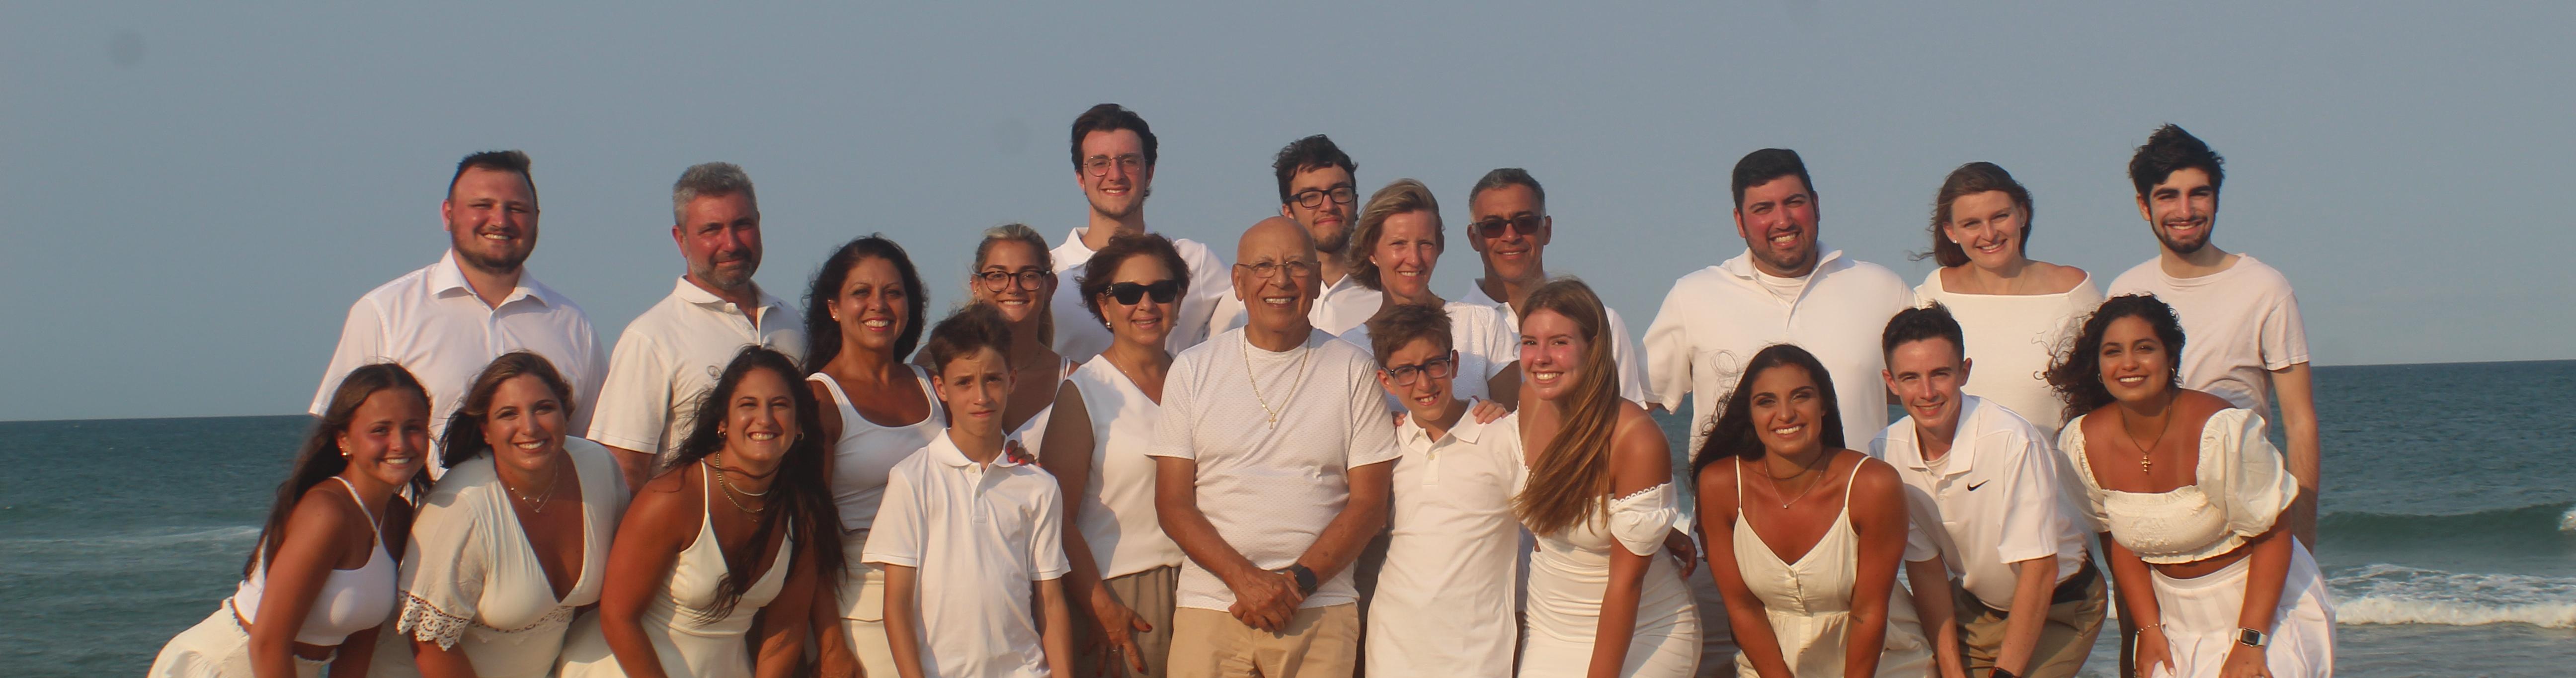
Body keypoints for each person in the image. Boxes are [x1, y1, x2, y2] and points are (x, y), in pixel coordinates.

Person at [1147, 217, 1398, 678]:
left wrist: (1296, 586)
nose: (1280, 280)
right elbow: (1173, 503)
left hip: (1320, 609)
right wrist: (1244, 581)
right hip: (1213, 608)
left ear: (1319, 281)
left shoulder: (1353, 370)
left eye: (1296, 266)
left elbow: (1369, 505)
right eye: (1263, 266)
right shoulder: (1192, 369)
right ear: (1238, 283)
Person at [2046, 295, 2334, 678]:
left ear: (2171, 358)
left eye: (2144, 348)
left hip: (2266, 610)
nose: (2128, 364)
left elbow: (2274, 536)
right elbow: (2120, 543)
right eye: (2113, 352)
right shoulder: (2081, 443)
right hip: (2172, 621)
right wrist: (2148, 631)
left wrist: (2250, 643)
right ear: (2099, 366)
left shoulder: (2221, 430)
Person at [557, 347, 841, 678]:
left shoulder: (802, 513)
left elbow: (787, 627)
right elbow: (618, 619)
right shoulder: (674, 498)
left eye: (780, 405)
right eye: (748, 405)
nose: (765, 419)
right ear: (723, 422)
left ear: (799, 424)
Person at [313, 151, 606, 470]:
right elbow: (336, 441)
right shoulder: (384, 313)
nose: (501, 220)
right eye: (483, 206)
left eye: (516, 209)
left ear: (536, 218)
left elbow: (591, 445)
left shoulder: (572, 323)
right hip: (419, 517)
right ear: (448, 214)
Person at [2104, 124, 2322, 550]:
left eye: (2198, 194)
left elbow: (2301, 423)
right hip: (2153, 518)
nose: (2185, 210)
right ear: (2144, 206)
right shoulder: (2124, 292)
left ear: (2216, 198)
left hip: (2244, 517)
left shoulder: (2265, 288)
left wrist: (2302, 544)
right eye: (2168, 196)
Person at [154, 363, 433, 678]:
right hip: (229, 667)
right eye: (380, 430)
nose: (400, 444)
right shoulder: (328, 513)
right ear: (344, 441)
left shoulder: (397, 516)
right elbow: (268, 643)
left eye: (413, 428)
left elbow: (359, 639)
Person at [1872, 306, 2103, 678]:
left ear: (1964, 372)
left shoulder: (2013, 441)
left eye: (1940, 374)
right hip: (1977, 608)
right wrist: (1950, 670)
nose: (1927, 392)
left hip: (2062, 603)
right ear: (1891, 382)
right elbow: (1927, 571)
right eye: (1911, 378)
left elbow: (2039, 571)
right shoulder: (1886, 451)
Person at [376, 352, 630, 678]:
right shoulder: (462, 507)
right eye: (508, 414)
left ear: (566, 413)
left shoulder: (597, 467)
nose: (530, 427)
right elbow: (429, 643)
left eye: (544, 408)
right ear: (485, 429)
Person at [1644, 148, 1914, 453]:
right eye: (1763, 209)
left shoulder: (1883, 289)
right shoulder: (1693, 296)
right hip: (1734, 501)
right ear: (1740, 221)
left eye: (1794, 203)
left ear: (1816, 204)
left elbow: (1931, 393)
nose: (1783, 221)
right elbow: (1637, 402)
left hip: (1859, 498)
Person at [1690, 344, 1936, 678]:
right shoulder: (1719, 485)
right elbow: (1742, 608)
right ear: (1750, 413)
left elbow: (1870, 612)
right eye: (1767, 402)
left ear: (1825, 406)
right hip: (1770, 667)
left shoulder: (1873, 485)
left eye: (1801, 397)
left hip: (1881, 662)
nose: (1786, 414)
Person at [868, 304, 1078, 678]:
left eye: (993, 380)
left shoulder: (1039, 486)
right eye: (964, 382)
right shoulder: (912, 480)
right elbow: (896, 607)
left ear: (1012, 380)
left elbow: (1050, 601)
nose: (981, 396)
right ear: (941, 388)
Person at [1512, 278, 1700, 678]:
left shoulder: (1637, 440)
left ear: (1595, 347)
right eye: (1530, 342)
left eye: (1559, 342)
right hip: (1550, 627)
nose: (1541, 358)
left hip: (1643, 629)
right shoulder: (1530, 401)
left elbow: (1626, 587)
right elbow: (1571, 490)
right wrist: (1662, 529)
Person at [590, 162, 806, 492]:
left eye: (742, 225)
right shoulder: (652, 337)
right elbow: (622, 471)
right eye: (712, 230)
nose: (731, 243)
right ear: (681, 239)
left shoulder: (791, 324)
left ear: (760, 225)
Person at [1038, 233, 1194, 678]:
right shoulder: (1084, 393)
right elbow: (1056, 518)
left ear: (1179, 300)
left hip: (1205, 592)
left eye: (1161, 291)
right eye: (1127, 293)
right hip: (1123, 593)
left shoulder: (1199, 381)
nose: (1146, 304)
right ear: (1103, 307)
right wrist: (1099, 605)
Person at [801, 235, 944, 678]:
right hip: (862, 609)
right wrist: (830, 645)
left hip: (945, 596)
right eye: (861, 293)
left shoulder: (935, 385)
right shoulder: (819, 399)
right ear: (834, 307)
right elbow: (809, 534)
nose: (878, 305)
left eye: (893, 292)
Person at [1358, 304, 1526, 678]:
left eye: (1434, 365)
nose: (1424, 384)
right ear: (1386, 381)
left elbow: (1560, 515)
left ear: (1454, 364)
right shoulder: (1385, 445)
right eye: (1406, 372)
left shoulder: (1503, 436)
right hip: (1393, 650)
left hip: (1478, 655)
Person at [1912, 162, 2103, 432]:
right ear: (1951, 232)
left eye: (2000, 217)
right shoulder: (1930, 298)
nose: (1989, 234)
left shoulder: (2074, 292)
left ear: (2022, 214)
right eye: (1972, 224)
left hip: (2053, 471)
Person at [1046, 104, 1232, 363]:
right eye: (1099, 163)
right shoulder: (1048, 277)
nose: (1115, 175)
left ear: (1150, 172)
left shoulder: (1194, 262)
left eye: (1129, 162)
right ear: (1080, 177)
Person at [1457, 168, 1651, 404]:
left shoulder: (1601, 324)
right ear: (1474, 238)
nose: (1510, 236)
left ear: (1546, 230)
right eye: (1492, 226)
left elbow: (1627, 425)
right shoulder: (1451, 332)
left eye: (1525, 222)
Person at [1332, 179, 1520, 408]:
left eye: (1425, 244)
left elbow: (1515, 424)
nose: (1414, 259)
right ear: (1372, 252)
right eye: (1399, 244)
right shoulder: (1351, 349)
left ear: (1439, 248)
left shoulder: (1483, 324)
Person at [1212, 135, 1378, 336]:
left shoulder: (1384, 296)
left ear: (1356, 203)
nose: (1328, 206)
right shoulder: (1248, 299)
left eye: (1340, 193)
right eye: (1311, 197)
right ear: (1288, 211)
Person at [967, 224, 1075, 458]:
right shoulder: (936, 364)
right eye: (997, 276)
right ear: (977, 287)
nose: (1013, 288)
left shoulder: (1076, 381)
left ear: (1050, 287)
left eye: (1028, 276)